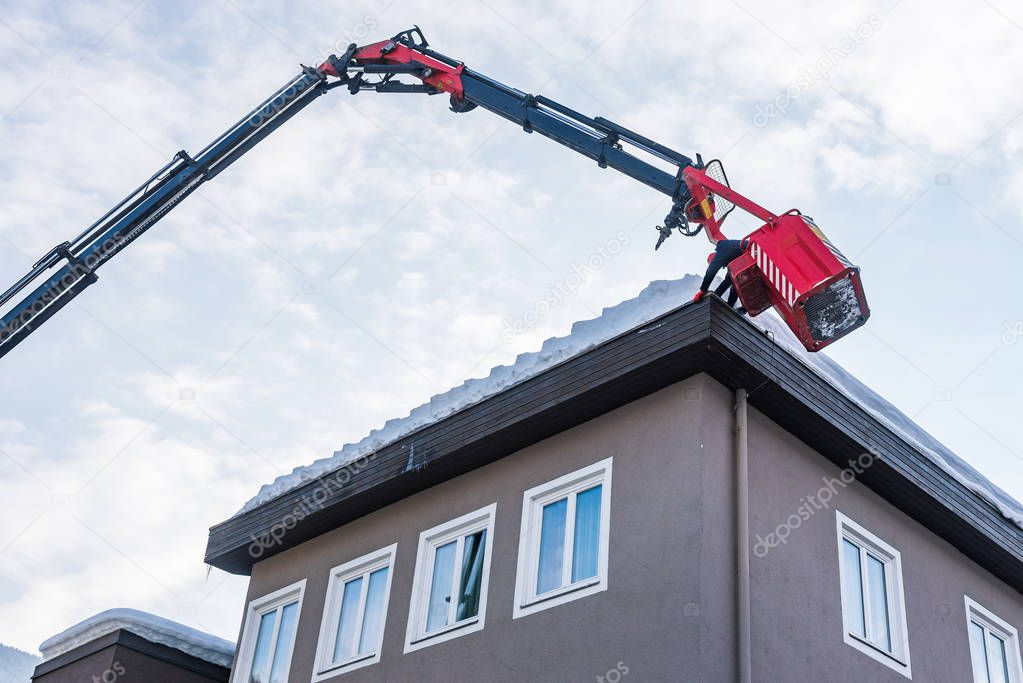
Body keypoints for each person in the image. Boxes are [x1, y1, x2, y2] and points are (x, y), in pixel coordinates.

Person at [693, 238, 746, 313]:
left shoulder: (723, 248)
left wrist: (702, 290)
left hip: (750, 252)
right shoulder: (732, 257)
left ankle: (726, 303)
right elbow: (729, 281)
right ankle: (734, 307)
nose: (722, 267)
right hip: (748, 258)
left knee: (732, 280)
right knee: (735, 282)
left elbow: (711, 270)